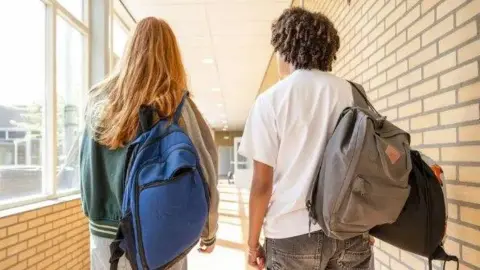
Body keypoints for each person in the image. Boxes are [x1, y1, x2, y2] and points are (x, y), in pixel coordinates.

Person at [239, 7, 374, 270]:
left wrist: (253, 243)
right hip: (349, 229)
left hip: (290, 236)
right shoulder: (354, 94)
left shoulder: (271, 101)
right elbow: (369, 164)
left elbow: (261, 184)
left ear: (287, 48)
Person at [80, 17, 219, 270]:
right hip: (160, 231)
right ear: (172, 55)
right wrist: (209, 229)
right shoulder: (177, 105)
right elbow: (205, 169)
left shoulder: (96, 100)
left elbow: (86, 166)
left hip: (103, 234)